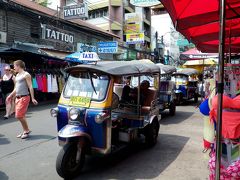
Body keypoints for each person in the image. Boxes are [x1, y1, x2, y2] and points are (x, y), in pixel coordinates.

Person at [7, 60, 38, 139]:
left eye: (14, 66)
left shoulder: (26, 74)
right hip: (18, 98)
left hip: (24, 97)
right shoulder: (17, 75)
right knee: (21, 116)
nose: (13, 68)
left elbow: (30, 86)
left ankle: (26, 130)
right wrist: (10, 95)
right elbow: (16, 88)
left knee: (18, 116)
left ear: (18, 66)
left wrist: (33, 98)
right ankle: (25, 130)